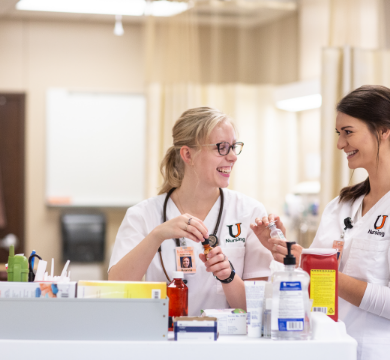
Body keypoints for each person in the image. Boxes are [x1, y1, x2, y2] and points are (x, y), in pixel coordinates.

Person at [252, 85, 390, 360]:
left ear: (384, 130)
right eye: (339, 134)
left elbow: (324, 275)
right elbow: (311, 282)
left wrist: (323, 273)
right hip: (329, 346)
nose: (340, 144)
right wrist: (285, 254)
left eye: (348, 132)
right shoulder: (340, 206)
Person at [108, 107, 273, 315]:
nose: (233, 157)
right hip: (164, 339)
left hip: (227, 343)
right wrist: (157, 235)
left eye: (233, 147)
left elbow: (258, 308)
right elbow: (115, 288)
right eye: (221, 147)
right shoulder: (142, 215)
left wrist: (228, 276)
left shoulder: (250, 213)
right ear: (187, 154)